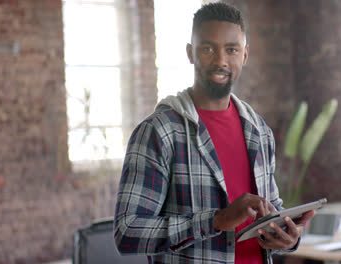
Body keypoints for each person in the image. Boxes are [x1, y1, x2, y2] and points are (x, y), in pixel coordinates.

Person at [114, 3, 315, 263]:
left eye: (231, 49)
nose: (221, 60)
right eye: (208, 48)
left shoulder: (259, 132)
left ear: (244, 55)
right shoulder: (159, 132)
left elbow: (270, 211)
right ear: (190, 53)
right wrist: (217, 221)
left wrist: (287, 237)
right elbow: (127, 232)